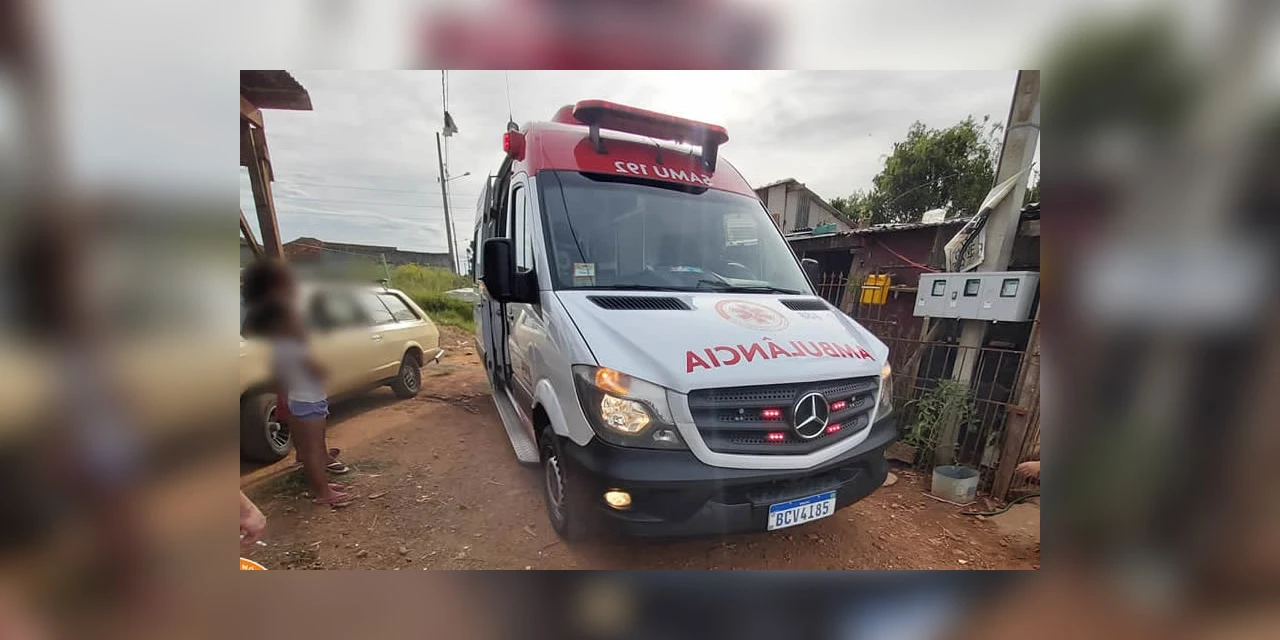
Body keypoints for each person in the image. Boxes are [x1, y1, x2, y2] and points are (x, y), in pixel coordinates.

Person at [242, 260, 352, 507]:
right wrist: (317, 369)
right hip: (306, 389)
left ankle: (321, 484)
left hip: (295, 389)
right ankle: (323, 493)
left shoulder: (265, 314)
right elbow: (301, 352)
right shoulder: (285, 313)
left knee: (308, 443)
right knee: (312, 446)